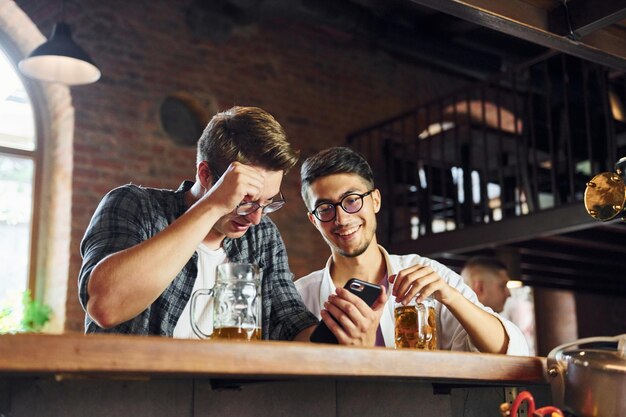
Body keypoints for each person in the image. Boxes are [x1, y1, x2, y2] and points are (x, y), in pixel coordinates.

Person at [78, 106, 318, 341]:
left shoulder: (263, 236)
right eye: (245, 201)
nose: (255, 218)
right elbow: (105, 308)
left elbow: (290, 323)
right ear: (205, 175)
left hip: (223, 381)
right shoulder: (136, 205)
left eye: (267, 203)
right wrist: (213, 206)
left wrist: (338, 333)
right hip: (137, 380)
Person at [295, 146, 528, 354]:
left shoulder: (428, 273)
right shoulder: (300, 296)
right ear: (313, 220)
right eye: (325, 209)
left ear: (375, 200)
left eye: (352, 200)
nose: (342, 218)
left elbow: (511, 350)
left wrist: (451, 297)